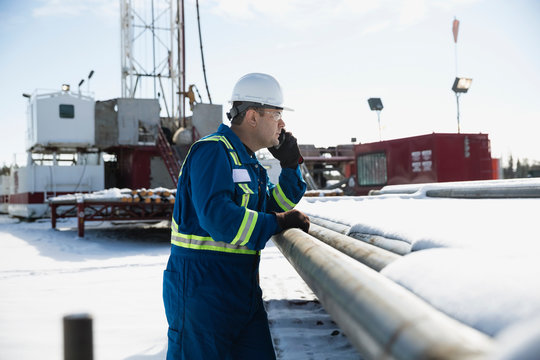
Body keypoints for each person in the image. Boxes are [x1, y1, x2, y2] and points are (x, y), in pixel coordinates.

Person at [163, 72, 310, 360]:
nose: (282, 124)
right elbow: (218, 218)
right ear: (253, 116)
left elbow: (273, 204)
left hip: (242, 290)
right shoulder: (212, 151)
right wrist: (278, 223)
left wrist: (291, 165)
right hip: (202, 290)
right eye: (276, 114)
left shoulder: (248, 161)